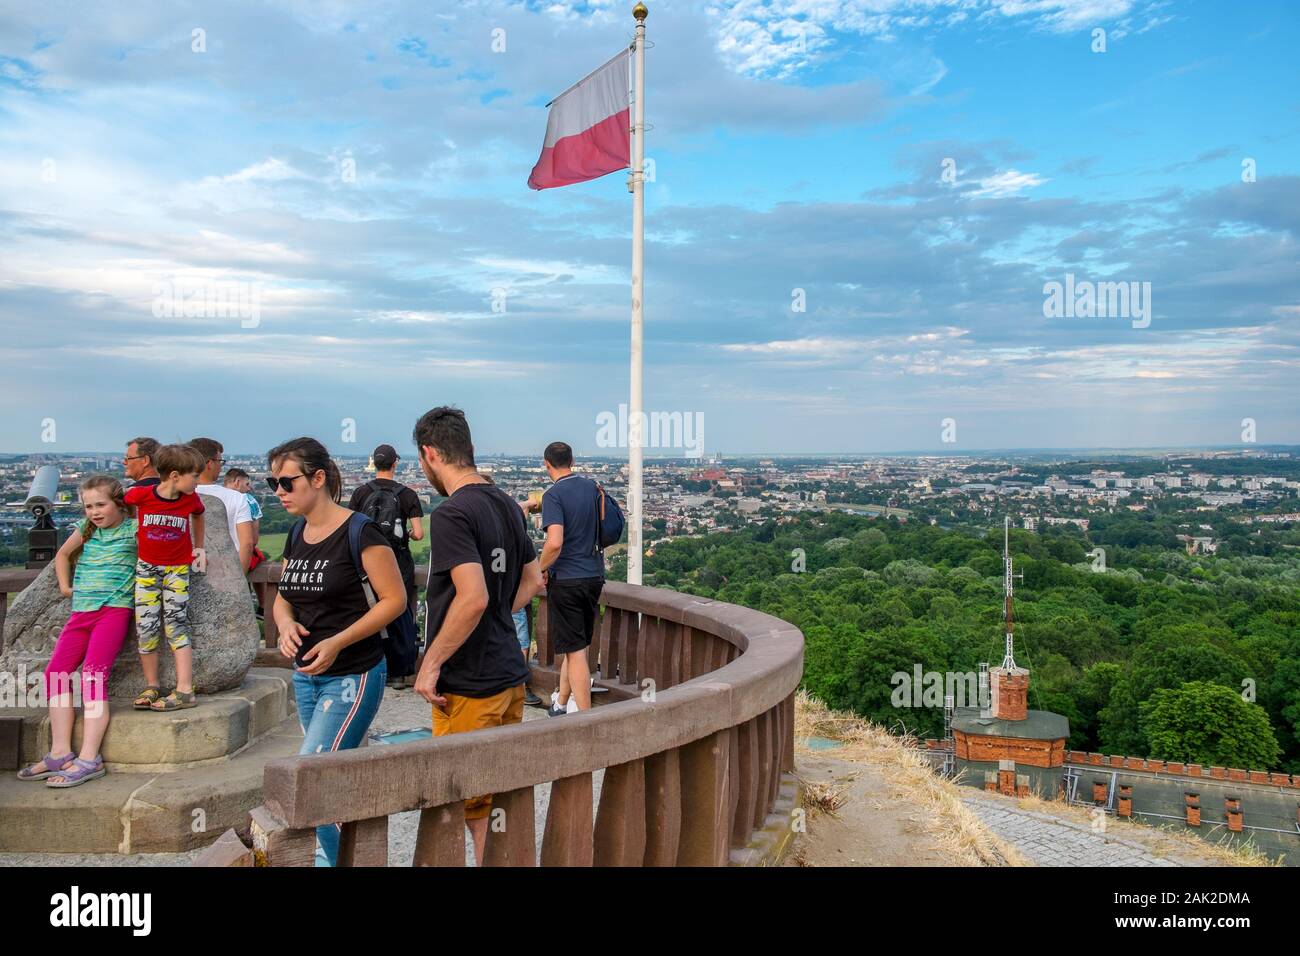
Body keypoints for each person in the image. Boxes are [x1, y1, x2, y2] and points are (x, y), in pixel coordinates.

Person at [410, 407, 543, 864]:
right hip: (509, 675)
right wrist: (498, 618)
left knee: (466, 799)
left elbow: (472, 598)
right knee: (500, 793)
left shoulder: (452, 513)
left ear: (430, 453)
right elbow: (533, 581)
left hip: (469, 680)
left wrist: (429, 665)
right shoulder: (505, 502)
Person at [268, 436, 405, 867]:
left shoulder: (360, 531)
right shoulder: (298, 532)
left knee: (312, 777)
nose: (278, 492)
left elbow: (394, 600)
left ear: (318, 478)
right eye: (274, 482)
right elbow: (283, 596)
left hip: (353, 672)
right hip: (306, 673)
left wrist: (338, 641)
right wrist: (286, 624)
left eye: (287, 482)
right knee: (331, 776)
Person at [17, 476, 136, 787]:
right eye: (88, 506)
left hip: (113, 610)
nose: (94, 512)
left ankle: (89, 757)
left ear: (118, 503)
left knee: (93, 677)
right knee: (56, 673)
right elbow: (62, 555)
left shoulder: (134, 530)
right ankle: (59, 751)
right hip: (81, 611)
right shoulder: (87, 528)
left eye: (101, 504)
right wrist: (64, 585)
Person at [124, 443, 207, 712]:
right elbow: (122, 504)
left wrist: (199, 546)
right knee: (146, 627)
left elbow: (199, 515)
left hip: (177, 569)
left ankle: (185, 689)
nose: (197, 481)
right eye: (194, 476)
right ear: (174, 475)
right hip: (147, 568)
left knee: (176, 625)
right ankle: (152, 685)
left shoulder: (190, 499)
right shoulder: (142, 495)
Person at [348, 443, 425, 688]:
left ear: (374, 463)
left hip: (366, 560)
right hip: (398, 561)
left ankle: (370, 667)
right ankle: (399, 672)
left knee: (368, 611)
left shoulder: (361, 493)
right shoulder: (408, 494)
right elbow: (419, 534)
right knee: (399, 612)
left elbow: (350, 529)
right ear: (395, 463)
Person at [539, 441, 605, 716]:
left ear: (546, 464)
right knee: (577, 645)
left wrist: (539, 568)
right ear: (573, 460)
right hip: (593, 574)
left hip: (567, 577)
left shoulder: (553, 495)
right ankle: (561, 703)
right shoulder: (591, 487)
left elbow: (554, 542)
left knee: (575, 651)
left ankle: (585, 721)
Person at [190, 437, 255, 574]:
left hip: (188, 570)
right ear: (209, 464)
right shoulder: (237, 497)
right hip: (227, 570)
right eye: (220, 461)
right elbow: (247, 543)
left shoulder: (179, 496)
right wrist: (240, 579)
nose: (221, 466)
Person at [224, 467, 270, 609]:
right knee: (259, 559)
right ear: (238, 482)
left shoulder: (215, 496)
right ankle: (263, 605)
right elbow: (253, 538)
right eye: (247, 484)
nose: (249, 489)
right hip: (240, 554)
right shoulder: (248, 500)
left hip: (217, 554)